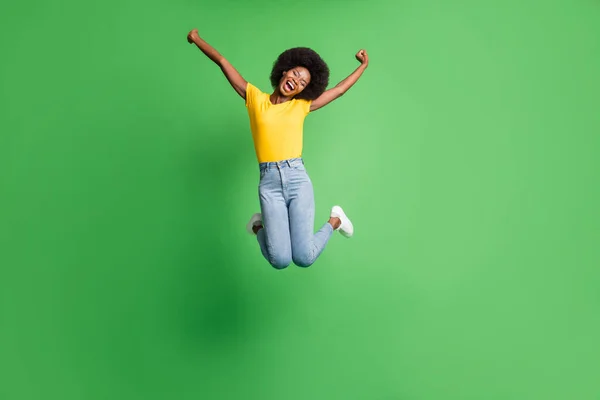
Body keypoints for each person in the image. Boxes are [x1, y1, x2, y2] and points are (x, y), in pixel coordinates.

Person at [187, 28, 369, 269]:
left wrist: (363, 65)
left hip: (296, 179)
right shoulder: (255, 99)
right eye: (295, 74)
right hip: (269, 182)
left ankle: (335, 220)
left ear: (303, 90)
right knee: (280, 260)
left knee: (303, 257)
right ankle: (258, 225)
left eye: (303, 82)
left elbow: (339, 90)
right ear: (284, 71)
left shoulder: (301, 106)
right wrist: (197, 39)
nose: (297, 81)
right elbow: (222, 62)